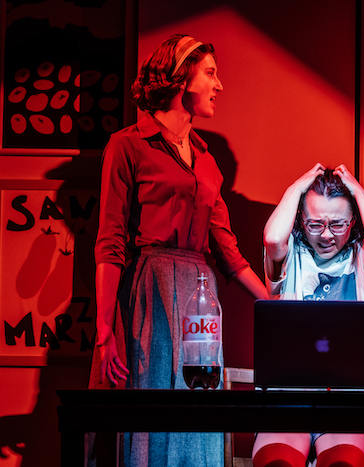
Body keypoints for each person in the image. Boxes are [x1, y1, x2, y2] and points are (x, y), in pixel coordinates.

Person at [88, 34, 269, 467]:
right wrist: (104, 329)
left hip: (199, 295)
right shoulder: (128, 145)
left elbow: (227, 249)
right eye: (210, 73)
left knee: (198, 414)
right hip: (150, 292)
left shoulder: (206, 160)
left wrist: (274, 305)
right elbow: (110, 241)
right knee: (151, 409)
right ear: (181, 78)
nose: (218, 85)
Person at [253, 163, 364, 467]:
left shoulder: (361, 257)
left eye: (338, 224)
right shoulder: (290, 254)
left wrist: (358, 191)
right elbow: (273, 239)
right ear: (301, 220)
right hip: (287, 398)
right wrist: (296, 188)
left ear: (353, 222)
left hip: (348, 402)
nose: (327, 234)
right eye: (315, 224)